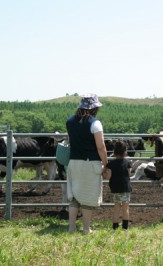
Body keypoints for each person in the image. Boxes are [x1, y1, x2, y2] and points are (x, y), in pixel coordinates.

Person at [66, 93, 108, 234]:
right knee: (88, 197)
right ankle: (86, 228)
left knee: (74, 195)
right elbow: (101, 146)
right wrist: (105, 163)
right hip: (90, 164)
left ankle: (71, 228)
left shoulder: (70, 121)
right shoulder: (95, 123)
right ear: (94, 108)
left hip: (73, 162)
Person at [105, 141, 132, 230]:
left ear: (114, 151)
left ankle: (115, 227)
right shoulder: (127, 162)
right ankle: (125, 228)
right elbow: (129, 174)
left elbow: (108, 176)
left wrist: (103, 173)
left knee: (116, 208)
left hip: (115, 188)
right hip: (125, 188)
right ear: (125, 151)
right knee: (125, 208)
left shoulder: (111, 164)